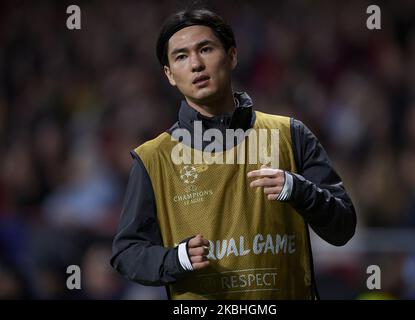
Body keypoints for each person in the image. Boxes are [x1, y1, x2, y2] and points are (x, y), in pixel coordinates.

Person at [110, 8, 356, 300]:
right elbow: (126, 252)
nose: (196, 64)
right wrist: (176, 259)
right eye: (181, 56)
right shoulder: (153, 159)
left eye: (205, 49)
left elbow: (343, 229)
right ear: (170, 75)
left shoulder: (291, 135)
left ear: (232, 56)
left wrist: (299, 190)